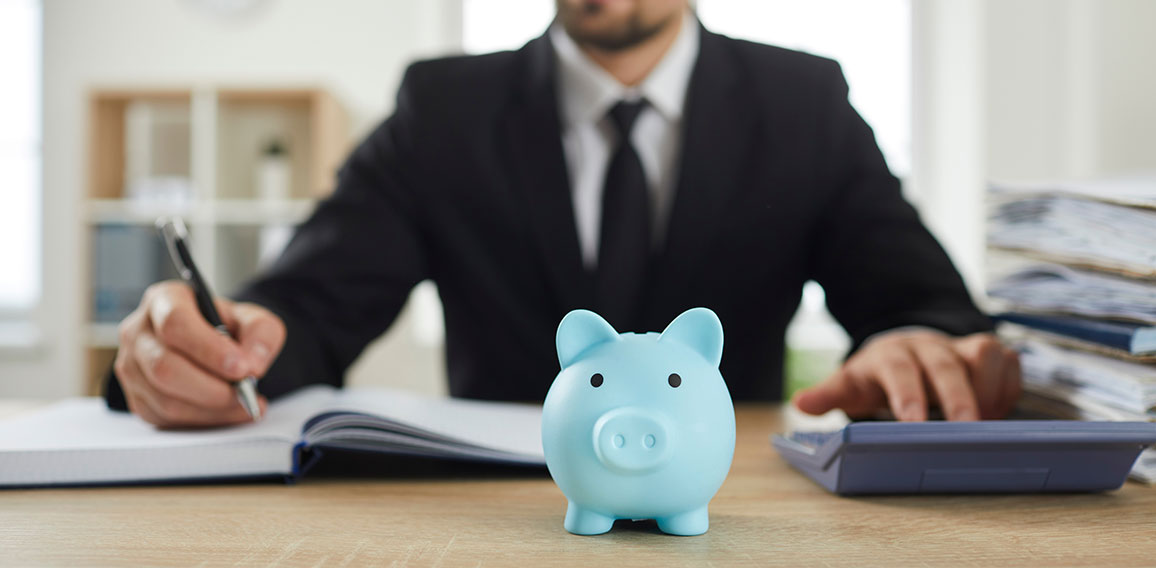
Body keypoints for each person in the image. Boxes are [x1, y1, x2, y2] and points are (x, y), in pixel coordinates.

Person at [105, 0, 1021, 428]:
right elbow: (303, 313)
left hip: (732, 511)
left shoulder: (803, 100)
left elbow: (929, 311)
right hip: (494, 522)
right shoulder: (443, 107)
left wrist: (915, 344)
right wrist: (219, 346)